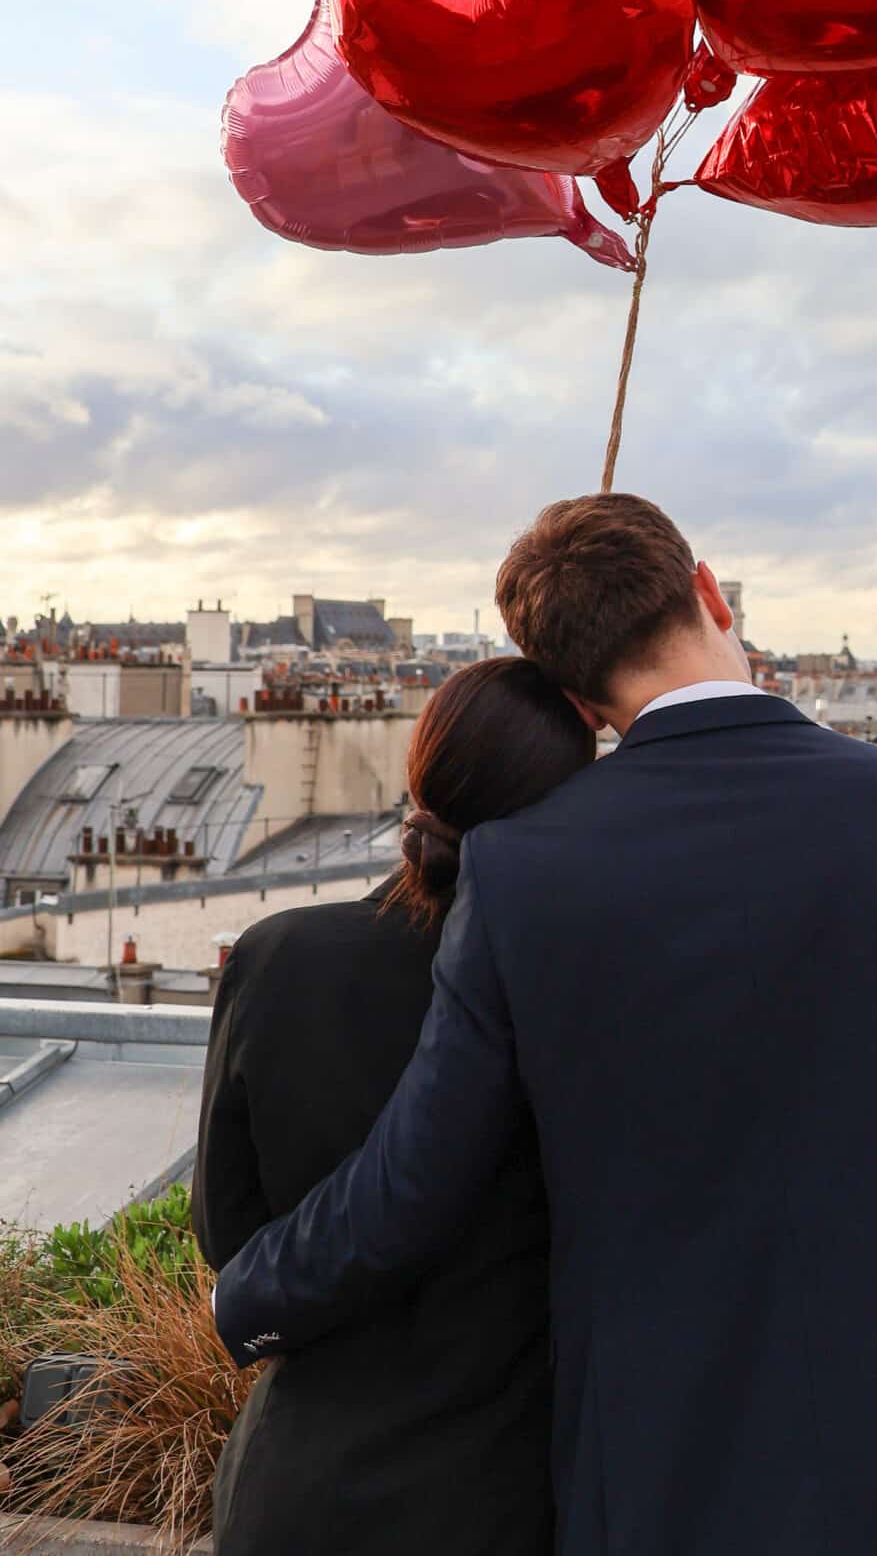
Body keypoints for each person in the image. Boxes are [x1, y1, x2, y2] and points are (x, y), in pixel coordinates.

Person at [214, 493, 877, 1556]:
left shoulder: (523, 870)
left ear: (577, 698)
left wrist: (246, 1297)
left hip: (655, 1465)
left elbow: (413, 1181)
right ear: (710, 592)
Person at [193, 657, 595, 1556]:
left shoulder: (279, 957)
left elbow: (229, 1234)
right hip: (502, 1492)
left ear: (420, 773)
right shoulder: (575, 992)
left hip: (299, 1488)